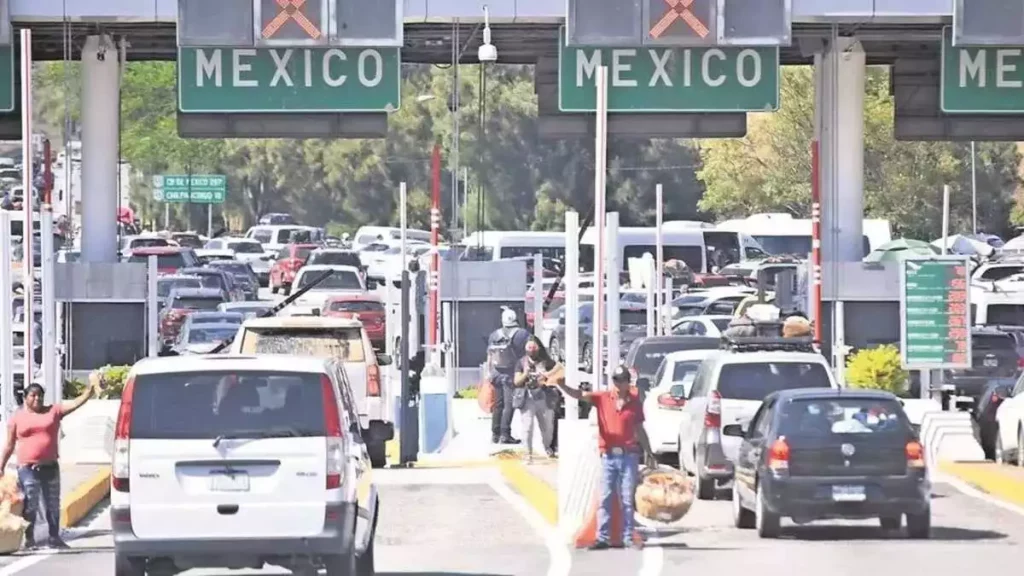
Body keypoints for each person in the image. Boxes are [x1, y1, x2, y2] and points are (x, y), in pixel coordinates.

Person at [552, 364, 655, 550]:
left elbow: (640, 429)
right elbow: (579, 395)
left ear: (627, 383)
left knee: (626, 498)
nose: (618, 384)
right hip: (608, 455)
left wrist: (649, 451)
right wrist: (562, 385)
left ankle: (628, 537)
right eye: (615, 380)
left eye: (622, 380)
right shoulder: (603, 398)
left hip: (629, 455)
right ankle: (603, 537)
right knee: (605, 497)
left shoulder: (634, 403)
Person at [0, 373, 99, 549]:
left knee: (52, 505)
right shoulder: (16, 418)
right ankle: (29, 538)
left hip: (50, 467)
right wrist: (1, 466)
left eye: (40, 395)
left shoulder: (53, 411)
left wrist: (90, 390)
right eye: (33, 395)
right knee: (30, 505)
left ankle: (54, 537)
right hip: (28, 469)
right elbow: (9, 444)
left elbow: (75, 403)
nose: (37, 398)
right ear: (25, 397)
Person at [513, 336, 562, 460]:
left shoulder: (545, 361)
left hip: (543, 398)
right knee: (527, 427)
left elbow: (559, 367)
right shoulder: (521, 362)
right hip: (527, 398)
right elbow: (517, 381)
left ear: (539, 348)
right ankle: (527, 453)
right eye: (529, 347)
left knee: (547, 427)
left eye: (534, 347)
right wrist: (526, 373)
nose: (532, 350)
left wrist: (546, 375)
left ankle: (548, 448)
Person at [486, 307, 530, 445]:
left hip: (496, 374)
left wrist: (489, 373)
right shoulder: (523, 334)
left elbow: (489, 356)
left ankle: (495, 434)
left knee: (498, 404)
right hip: (511, 374)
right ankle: (505, 435)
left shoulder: (494, 334)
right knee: (508, 405)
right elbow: (528, 353)